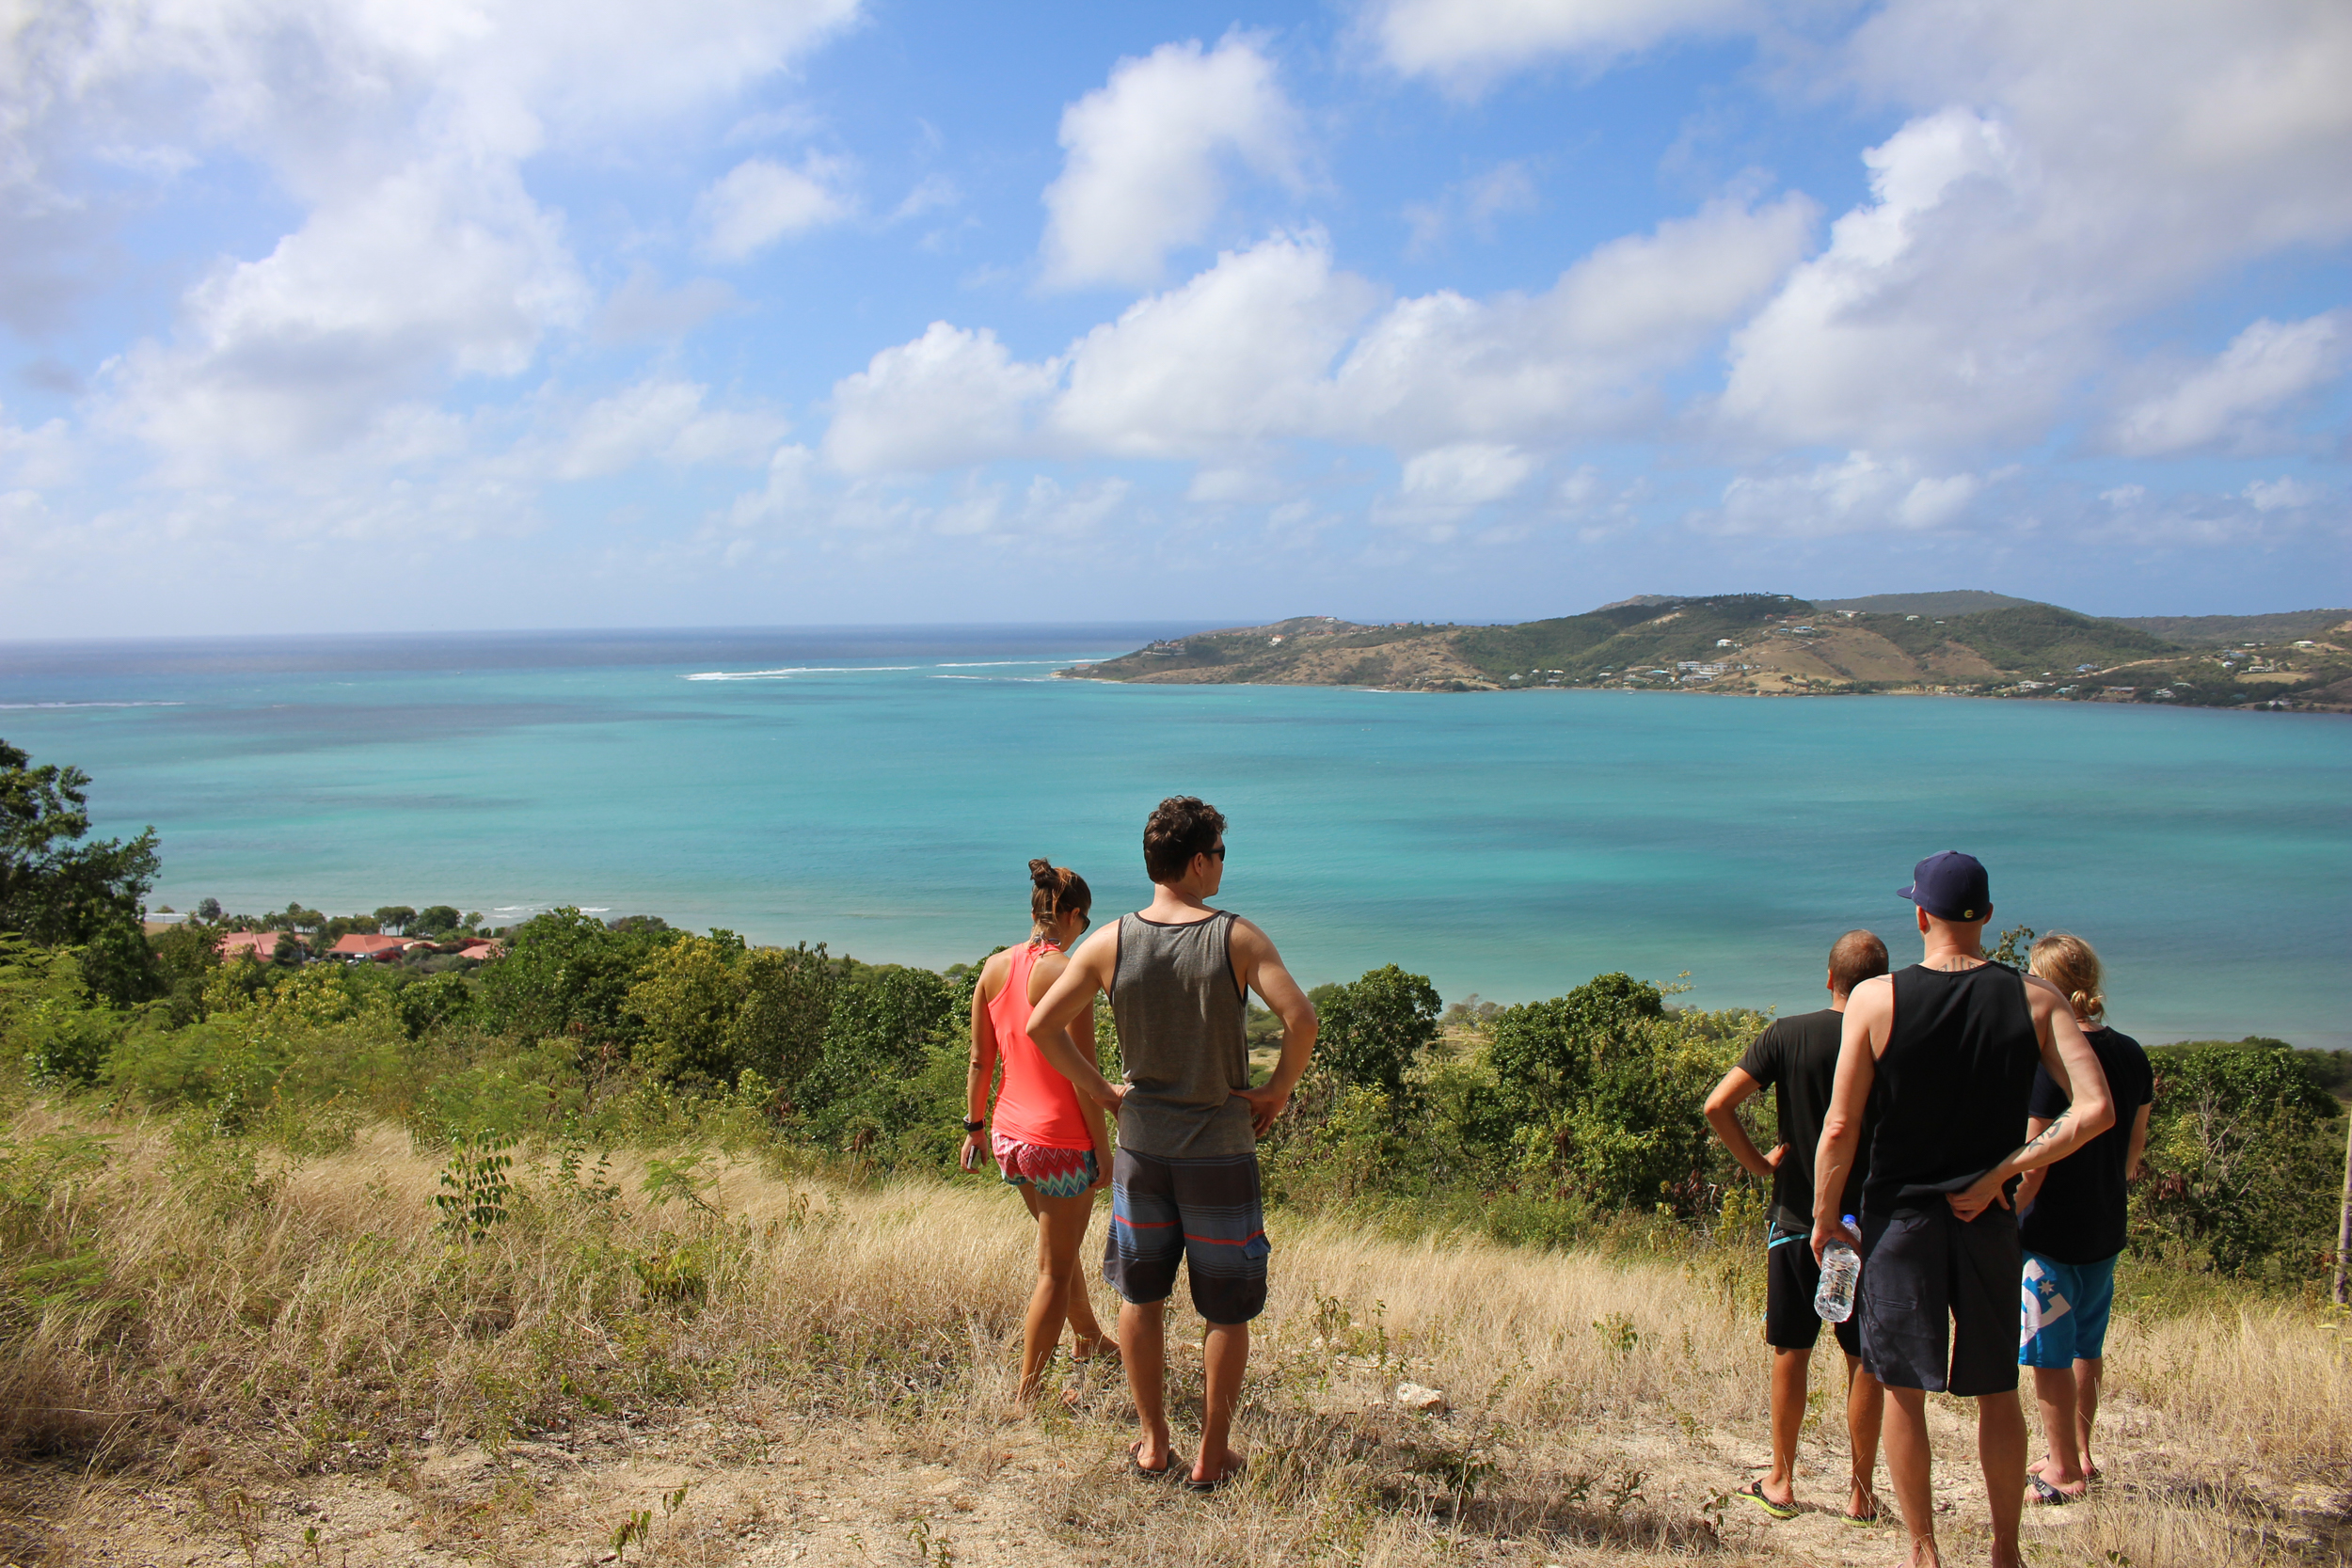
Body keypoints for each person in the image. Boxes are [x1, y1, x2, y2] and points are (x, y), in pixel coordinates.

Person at [1812, 851, 2114, 1568]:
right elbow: (2095, 1108)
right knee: (1995, 1392)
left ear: (1920, 915)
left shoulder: (1874, 1000)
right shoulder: (2037, 998)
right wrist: (2007, 1171)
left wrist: (1826, 1217)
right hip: (1988, 1220)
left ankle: (1924, 1550)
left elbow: (1839, 1126)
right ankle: (2005, 1550)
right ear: (1985, 917)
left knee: (1903, 1391)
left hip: (1900, 1224)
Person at [1024, 796, 1317, 1491]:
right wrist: (1274, 1091)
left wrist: (1101, 1091)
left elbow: (1042, 1026)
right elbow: (1300, 1018)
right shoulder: (1236, 937)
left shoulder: (1108, 941)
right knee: (1225, 1307)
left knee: (1141, 1296)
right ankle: (1212, 1455)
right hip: (1219, 1149)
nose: (1221, 864)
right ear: (1196, 861)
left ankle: (1154, 1443)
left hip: (1142, 1149)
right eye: (1219, 853)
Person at [1704, 930, 1890, 1523]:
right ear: (1883, 984)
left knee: (1792, 1349)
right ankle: (1861, 1493)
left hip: (1795, 1220)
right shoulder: (1894, 1037)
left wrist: (1760, 1164)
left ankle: (1781, 1480)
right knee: (1863, 1358)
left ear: (1829, 979)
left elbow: (1717, 1106)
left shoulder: (1788, 1034)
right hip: (1869, 1224)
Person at [961, 859, 1118, 1405]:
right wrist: (1103, 1150)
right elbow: (1085, 1075)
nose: (1086, 930)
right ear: (1070, 915)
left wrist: (975, 1127)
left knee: (1062, 1250)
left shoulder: (993, 968)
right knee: (1054, 1268)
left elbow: (981, 1062)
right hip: (1060, 1142)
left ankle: (1091, 1340)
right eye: (1086, 920)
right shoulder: (1066, 972)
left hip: (1009, 1135)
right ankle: (1029, 1395)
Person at [2012, 932, 2153, 1502]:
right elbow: (2133, 1153)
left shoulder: (2051, 1059)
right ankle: (2083, 1455)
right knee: (2086, 1346)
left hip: (2049, 1231)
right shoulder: (2132, 1052)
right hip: (2104, 1225)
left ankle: (2060, 1468)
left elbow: (2034, 1158)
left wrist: (2003, 1214)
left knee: (2047, 1350)